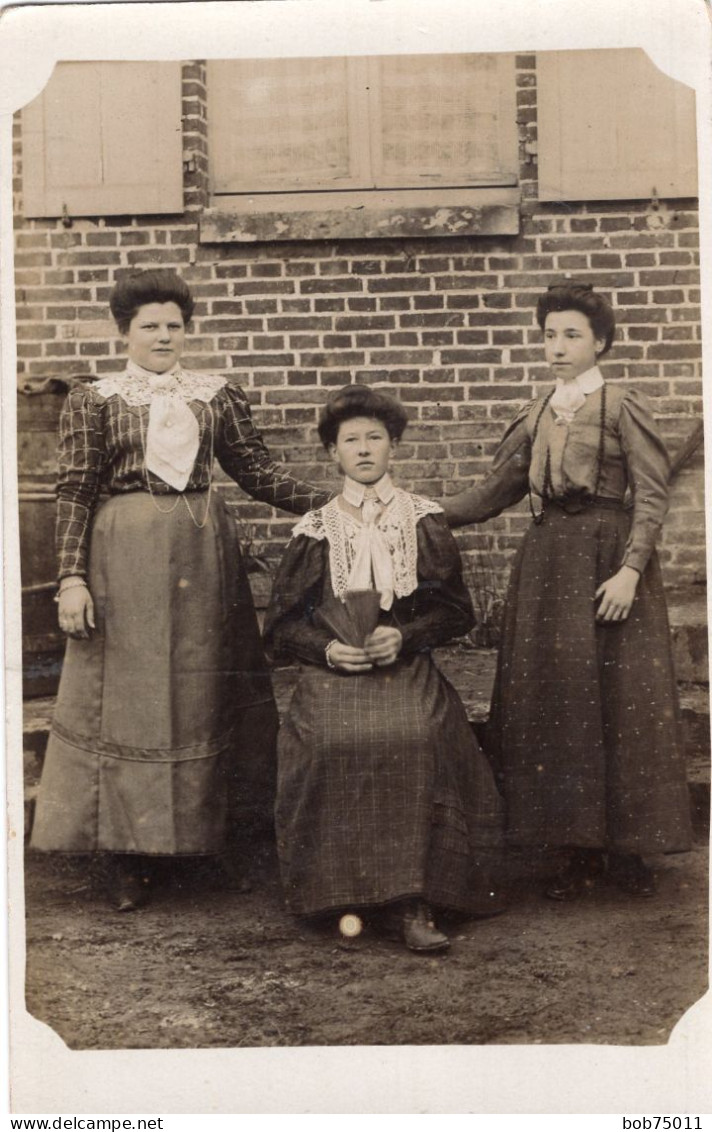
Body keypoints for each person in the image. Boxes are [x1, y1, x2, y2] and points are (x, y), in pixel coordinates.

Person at [31, 268, 331, 911]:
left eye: (174, 325)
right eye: (150, 326)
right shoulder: (96, 399)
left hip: (201, 549)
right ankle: (126, 858)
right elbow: (75, 490)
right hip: (124, 554)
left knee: (201, 690)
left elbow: (255, 472)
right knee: (130, 698)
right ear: (126, 332)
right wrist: (71, 578)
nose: (164, 336)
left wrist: (339, 503)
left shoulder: (216, 394)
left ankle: (202, 847)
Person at [441, 282, 692, 900]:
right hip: (548, 564)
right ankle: (573, 849)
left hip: (609, 561)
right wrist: (420, 510)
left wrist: (631, 571)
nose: (557, 346)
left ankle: (628, 850)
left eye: (572, 334)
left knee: (619, 698)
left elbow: (652, 496)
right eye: (549, 334)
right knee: (557, 702)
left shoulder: (620, 405)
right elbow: (494, 492)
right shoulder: (536, 413)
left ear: (599, 341)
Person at [263, 384, 504, 954]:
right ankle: (343, 894)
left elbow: (456, 611)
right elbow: (280, 626)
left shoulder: (421, 520)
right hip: (334, 669)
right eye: (351, 440)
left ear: (393, 446)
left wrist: (406, 635)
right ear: (333, 453)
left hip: (403, 665)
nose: (364, 449)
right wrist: (327, 650)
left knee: (416, 733)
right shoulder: (316, 528)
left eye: (376, 438)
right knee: (328, 738)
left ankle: (413, 900)